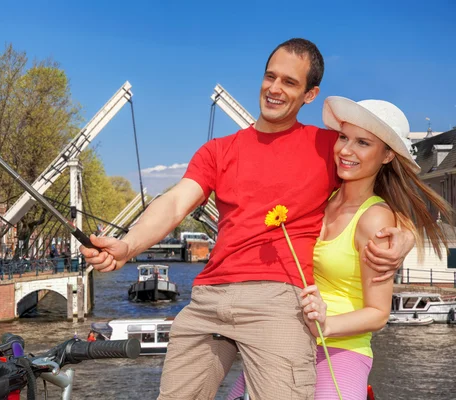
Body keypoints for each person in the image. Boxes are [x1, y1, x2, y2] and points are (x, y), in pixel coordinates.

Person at [80, 39, 415, 399]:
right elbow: (175, 202)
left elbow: (381, 187)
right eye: (270, 77)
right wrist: (128, 244)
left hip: (278, 300)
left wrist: (406, 233)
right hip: (209, 297)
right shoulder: (218, 151)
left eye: (289, 82)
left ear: (309, 94)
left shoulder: (328, 147)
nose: (274, 88)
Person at [227, 98, 454, 399]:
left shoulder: (375, 220)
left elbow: (378, 313)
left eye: (363, 143)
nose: (346, 150)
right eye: (343, 137)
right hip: (285, 343)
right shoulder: (321, 197)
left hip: (340, 350)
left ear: (387, 155)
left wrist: (326, 324)